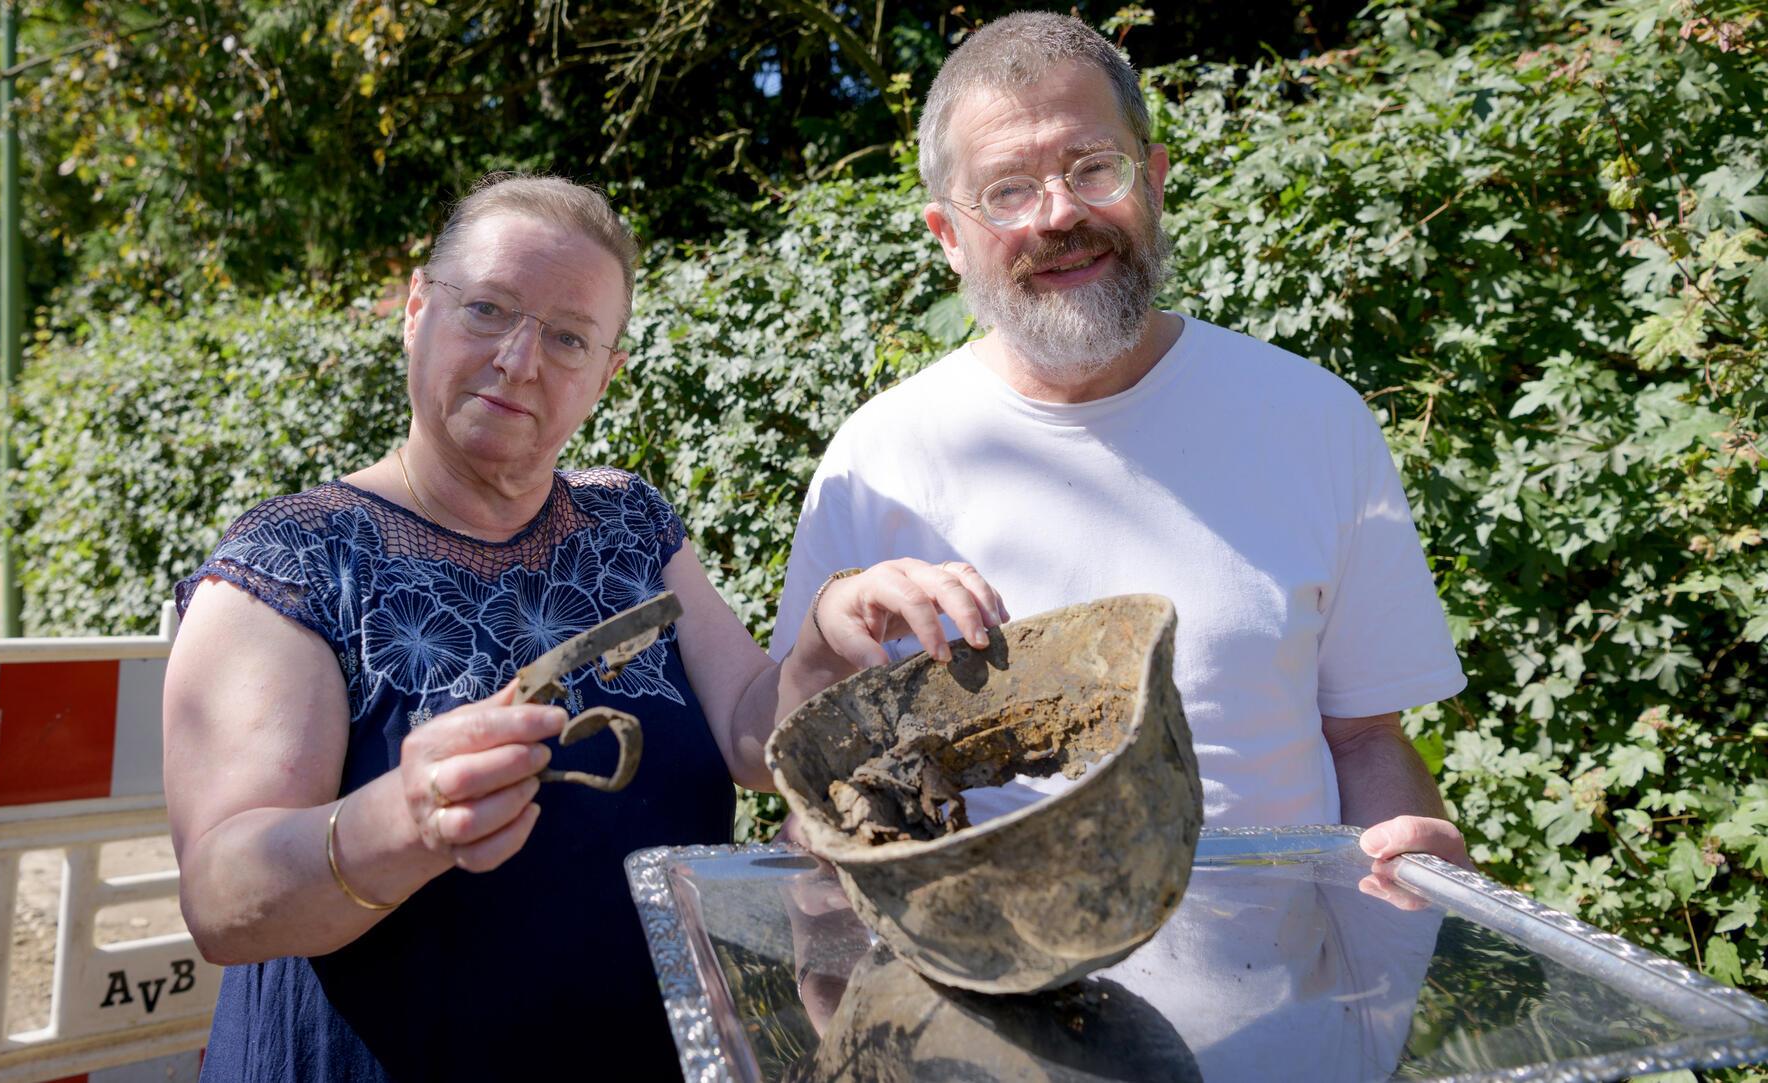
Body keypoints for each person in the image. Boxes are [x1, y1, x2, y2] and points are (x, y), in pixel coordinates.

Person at [163, 173, 1003, 1081]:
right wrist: (401, 820)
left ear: (606, 375)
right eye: (487, 308)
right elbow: (222, 899)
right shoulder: (293, 557)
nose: (521, 359)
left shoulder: (630, 525)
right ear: (416, 308)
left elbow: (754, 736)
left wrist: (822, 646)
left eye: (568, 337)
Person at [770, 12, 1471, 874]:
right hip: (975, 991)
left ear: (1155, 181)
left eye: (1093, 167)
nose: (1059, 213)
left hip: (1286, 995)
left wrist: (1421, 884)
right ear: (948, 237)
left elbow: (1365, 740)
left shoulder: (1314, 419)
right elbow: (809, 769)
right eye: (1006, 191)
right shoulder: (875, 461)